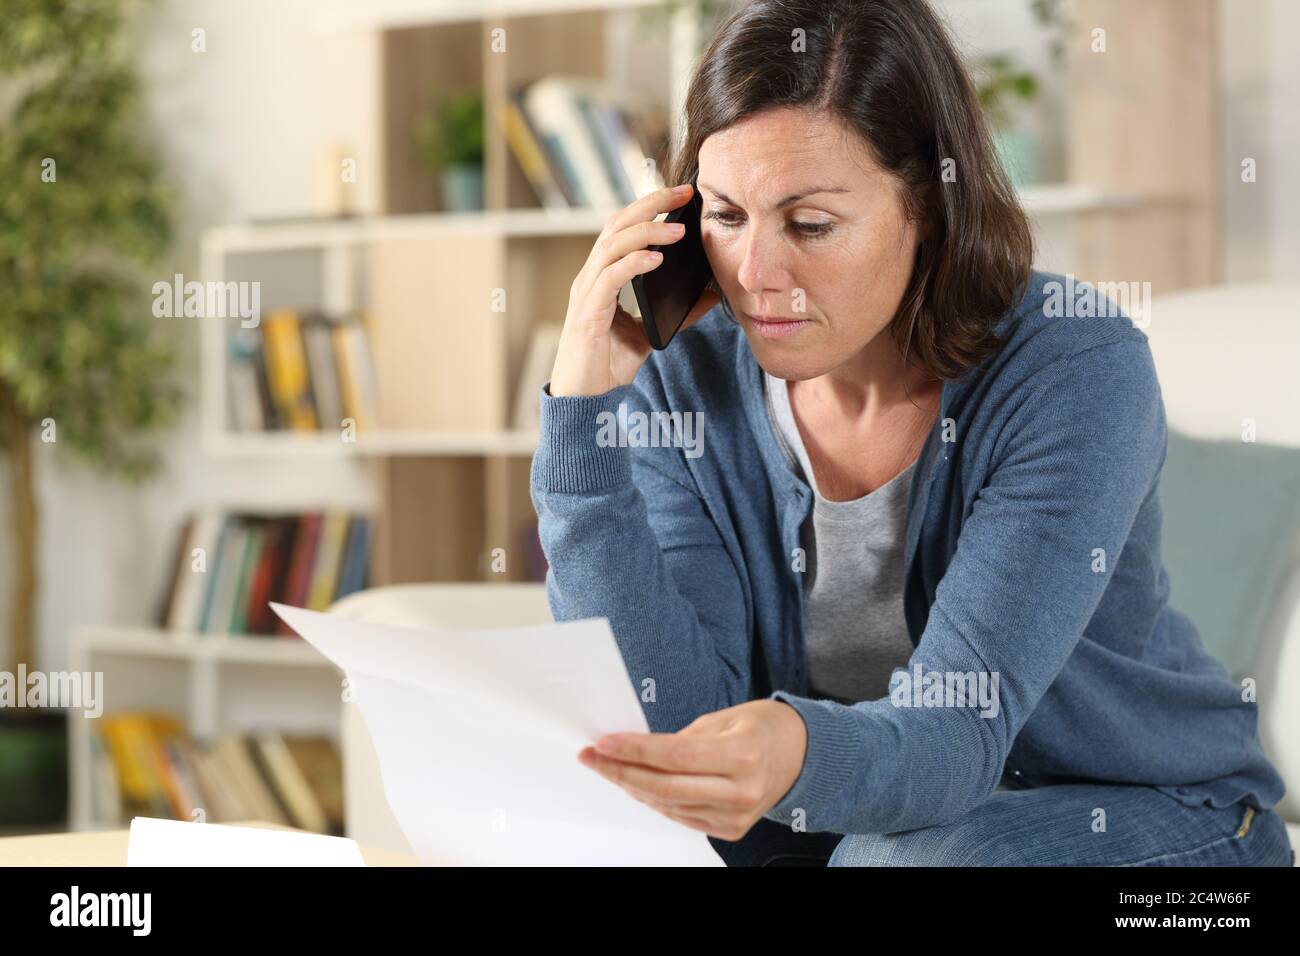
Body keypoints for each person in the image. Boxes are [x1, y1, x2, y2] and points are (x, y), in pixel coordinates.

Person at [529, 0, 1293, 867]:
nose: (755, 275)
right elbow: (674, 729)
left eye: (810, 224)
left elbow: (955, 737)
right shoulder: (684, 378)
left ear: (926, 206)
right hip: (874, 824)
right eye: (726, 216)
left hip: (1168, 835)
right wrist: (580, 421)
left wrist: (795, 751)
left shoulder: (1074, 368)